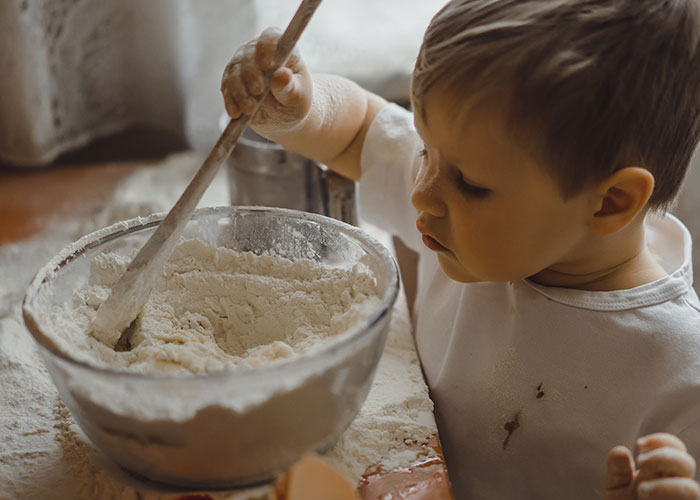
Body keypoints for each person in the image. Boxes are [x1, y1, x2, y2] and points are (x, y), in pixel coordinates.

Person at [221, 1, 700, 498]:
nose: (421, 192)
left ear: (610, 203)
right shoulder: (475, 206)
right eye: (426, 149)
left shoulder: (680, 377)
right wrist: (300, 105)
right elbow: (364, 129)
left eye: (470, 183)